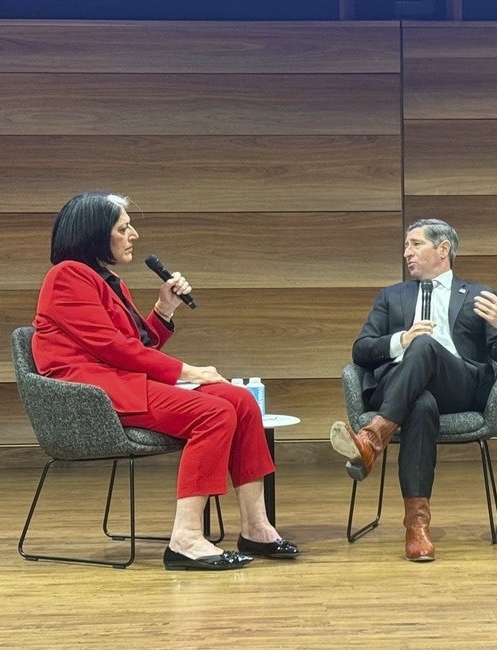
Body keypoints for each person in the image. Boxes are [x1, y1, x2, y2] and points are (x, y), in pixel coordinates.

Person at [32, 191, 301, 571]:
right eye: (123, 228)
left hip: (119, 381)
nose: (133, 235)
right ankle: (186, 539)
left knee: (239, 400)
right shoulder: (67, 277)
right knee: (213, 413)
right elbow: (112, 349)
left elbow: (138, 345)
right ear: (94, 234)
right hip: (92, 394)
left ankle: (256, 527)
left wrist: (163, 309)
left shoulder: (109, 281)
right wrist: (189, 371)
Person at [329, 218, 497, 561]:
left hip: (459, 386)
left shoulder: (478, 294)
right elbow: (360, 350)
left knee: (426, 345)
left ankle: (372, 439)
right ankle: (417, 527)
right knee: (420, 402)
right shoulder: (391, 296)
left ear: (443, 249)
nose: (407, 252)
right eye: (406, 246)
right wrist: (400, 340)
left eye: (415, 244)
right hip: (401, 389)